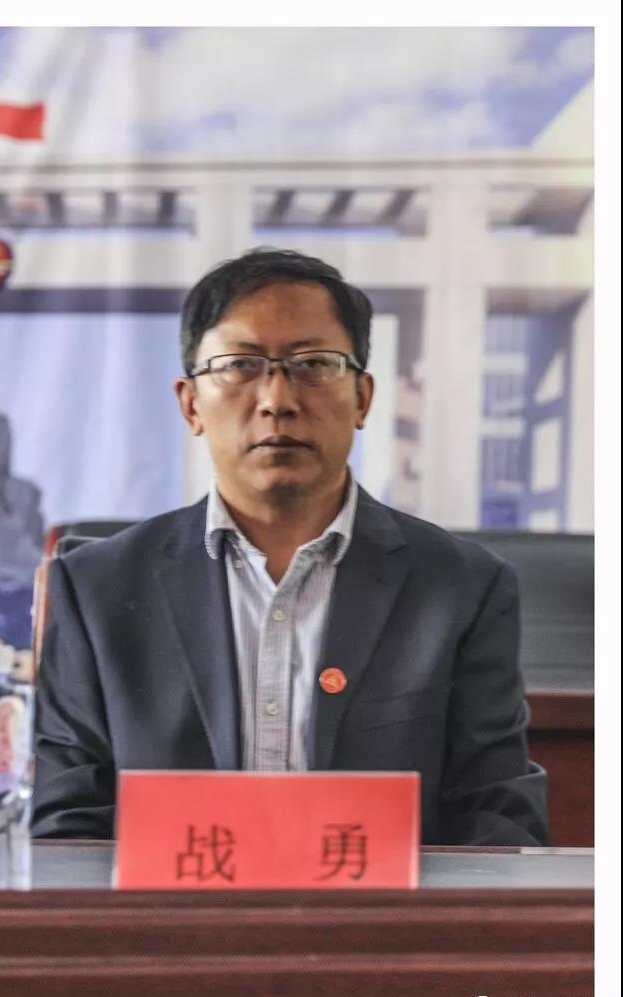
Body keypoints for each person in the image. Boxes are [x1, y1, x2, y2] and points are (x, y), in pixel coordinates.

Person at [32, 248, 548, 846]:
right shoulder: (96, 588)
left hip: (383, 909)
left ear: (363, 397)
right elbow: (65, 830)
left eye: (314, 364)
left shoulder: (462, 588)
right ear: (191, 403)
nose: (277, 399)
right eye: (240, 365)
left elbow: (498, 821)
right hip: (169, 908)